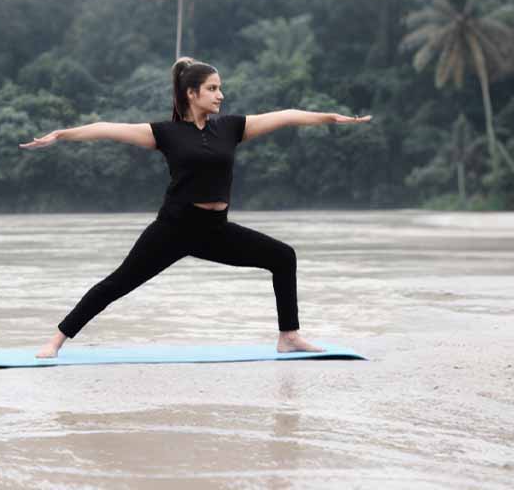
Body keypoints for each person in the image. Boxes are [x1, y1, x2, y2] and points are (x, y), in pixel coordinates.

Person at [19, 57, 373, 358]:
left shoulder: (232, 128)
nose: (221, 95)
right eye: (213, 88)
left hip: (215, 230)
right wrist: (61, 135)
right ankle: (56, 340)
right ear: (192, 93)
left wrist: (331, 118)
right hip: (173, 228)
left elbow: (286, 115)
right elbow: (107, 129)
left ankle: (289, 336)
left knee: (283, 256)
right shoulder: (166, 133)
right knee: (118, 283)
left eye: (220, 88)